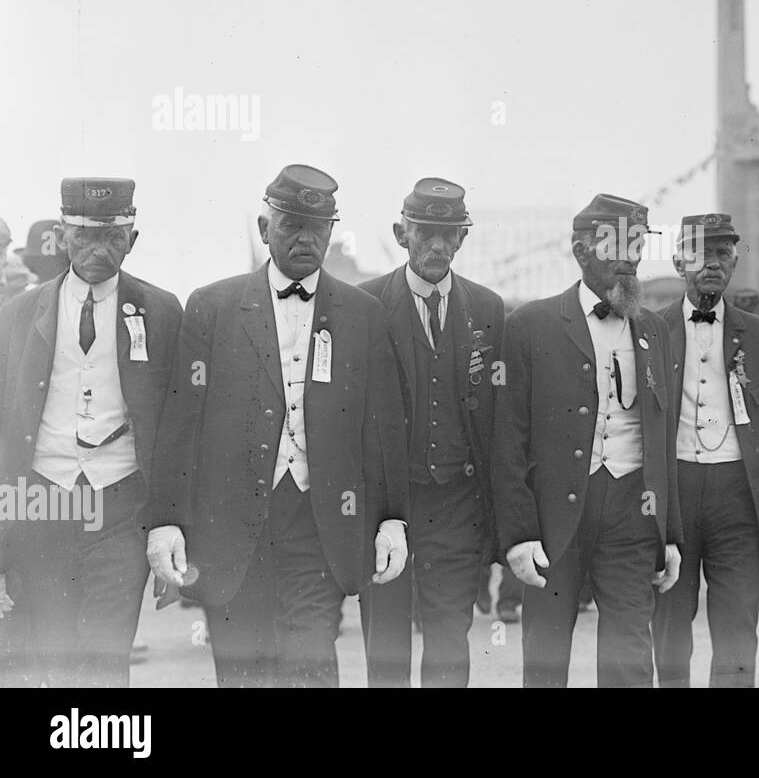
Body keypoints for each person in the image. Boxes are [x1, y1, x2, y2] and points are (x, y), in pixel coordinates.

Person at [145, 165, 410, 687]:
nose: (305, 239)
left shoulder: (364, 314)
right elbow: (182, 425)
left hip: (321, 526)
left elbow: (383, 432)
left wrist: (392, 520)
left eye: (318, 227)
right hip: (230, 529)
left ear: (333, 232)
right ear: (265, 229)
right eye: (291, 225)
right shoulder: (212, 307)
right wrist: (166, 520)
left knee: (311, 660)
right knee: (241, 670)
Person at [492, 193, 682, 687]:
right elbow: (508, 440)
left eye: (637, 246)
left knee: (631, 657)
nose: (630, 259)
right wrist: (518, 535)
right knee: (546, 658)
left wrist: (672, 533)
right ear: (580, 251)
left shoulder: (655, 330)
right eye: (616, 247)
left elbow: (663, 438)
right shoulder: (531, 325)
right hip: (556, 522)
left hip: (631, 516)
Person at [0, 178, 182, 686]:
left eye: (113, 236)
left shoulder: (163, 312)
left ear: (133, 238)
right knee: (50, 653)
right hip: (45, 504)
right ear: (62, 236)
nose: (98, 250)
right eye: (83, 235)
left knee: (106, 655)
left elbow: (176, 428)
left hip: (122, 508)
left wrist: (172, 526)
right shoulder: (16, 316)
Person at [358, 178, 505, 687]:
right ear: (402, 233)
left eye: (450, 234)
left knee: (449, 638)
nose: (439, 246)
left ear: (462, 239)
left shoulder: (486, 309)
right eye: (426, 232)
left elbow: (495, 416)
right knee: (387, 641)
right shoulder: (366, 305)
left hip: (457, 505)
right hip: (387, 507)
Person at [651, 214, 759, 687]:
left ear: (734, 263)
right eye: (699, 254)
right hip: (673, 493)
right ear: (679, 262)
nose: (711, 264)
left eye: (722, 254)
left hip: (737, 495)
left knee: (738, 620)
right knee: (671, 620)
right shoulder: (649, 331)